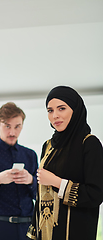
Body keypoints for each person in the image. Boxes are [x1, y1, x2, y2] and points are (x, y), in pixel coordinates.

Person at [26, 86, 103, 240]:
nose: (55, 116)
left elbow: (95, 194)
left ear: (75, 110)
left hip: (75, 232)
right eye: (50, 110)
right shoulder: (48, 146)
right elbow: (40, 194)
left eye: (61, 108)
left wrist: (57, 182)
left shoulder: (89, 144)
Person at [0, 102, 38, 240]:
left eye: (17, 126)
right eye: (7, 126)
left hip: (28, 227)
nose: (12, 132)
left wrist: (31, 180)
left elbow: (40, 195)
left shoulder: (30, 155)